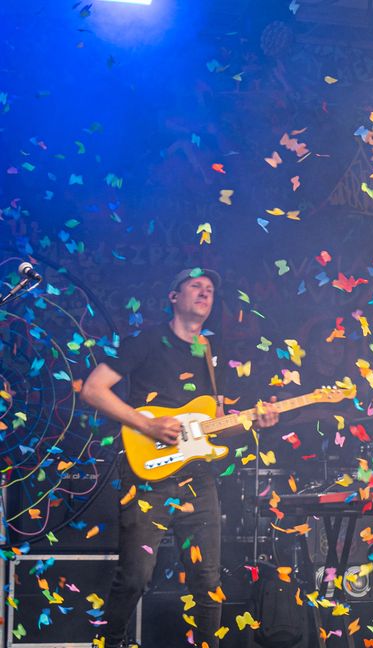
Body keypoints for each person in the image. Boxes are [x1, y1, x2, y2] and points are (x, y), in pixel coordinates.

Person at [82, 268, 280, 648]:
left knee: (207, 581)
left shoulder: (211, 352)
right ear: (174, 297)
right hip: (148, 476)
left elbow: (216, 426)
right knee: (136, 576)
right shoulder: (146, 341)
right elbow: (93, 389)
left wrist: (259, 422)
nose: (205, 293)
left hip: (198, 479)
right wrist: (147, 424)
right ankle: (109, 643)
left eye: (209, 289)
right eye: (195, 287)